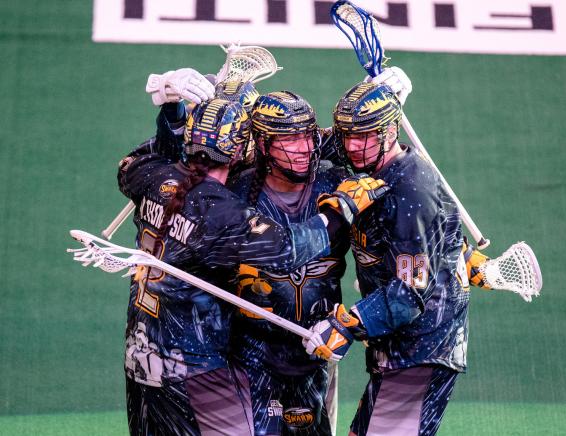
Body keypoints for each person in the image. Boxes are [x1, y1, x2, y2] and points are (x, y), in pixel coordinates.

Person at [117, 96, 387, 435]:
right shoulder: (222, 211)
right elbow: (288, 249)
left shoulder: (155, 178)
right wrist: (342, 208)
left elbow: (135, 161)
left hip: (140, 359)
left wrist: (173, 111)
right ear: (242, 147)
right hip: (195, 368)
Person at [302, 81, 528, 436]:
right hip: (401, 347)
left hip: (420, 350)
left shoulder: (411, 190)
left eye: (365, 136)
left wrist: (345, 325)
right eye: (349, 136)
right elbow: (442, 241)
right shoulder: (383, 168)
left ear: (391, 131)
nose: (353, 146)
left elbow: (409, 293)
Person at [228, 91, 350, 436]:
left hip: (317, 350)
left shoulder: (337, 184)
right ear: (263, 146)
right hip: (250, 351)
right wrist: (174, 117)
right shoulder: (234, 195)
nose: (303, 147)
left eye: (306, 136)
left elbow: (402, 227)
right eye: (289, 139)